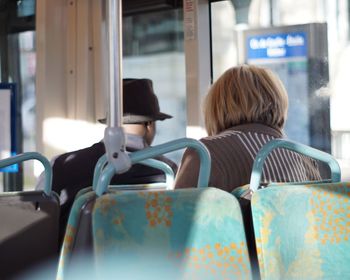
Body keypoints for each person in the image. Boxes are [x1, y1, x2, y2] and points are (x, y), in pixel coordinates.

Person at [37, 78, 177, 242]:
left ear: (109, 124)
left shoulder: (59, 166)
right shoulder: (170, 171)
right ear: (150, 124)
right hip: (152, 263)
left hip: (78, 265)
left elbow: (40, 225)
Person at [174, 64, 321, 191]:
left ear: (217, 107)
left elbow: (178, 216)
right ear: (278, 102)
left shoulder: (204, 153)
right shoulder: (307, 158)